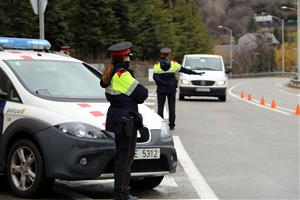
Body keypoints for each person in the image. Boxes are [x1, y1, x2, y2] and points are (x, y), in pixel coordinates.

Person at [100, 41, 148, 200]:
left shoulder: (111, 72)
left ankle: (120, 192)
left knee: (122, 158)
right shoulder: (122, 75)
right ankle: (122, 194)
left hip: (118, 118)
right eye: (128, 56)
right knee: (126, 159)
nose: (130, 59)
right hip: (125, 121)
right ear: (124, 58)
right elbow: (142, 94)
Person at [153, 47, 203, 130]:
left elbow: (155, 77)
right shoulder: (174, 64)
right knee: (172, 107)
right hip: (171, 89)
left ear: (161, 55)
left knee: (160, 108)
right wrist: (196, 73)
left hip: (161, 89)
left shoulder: (157, 65)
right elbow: (184, 70)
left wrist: (163, 83)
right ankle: (172, 125)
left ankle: (160, 125)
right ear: (169, 54)